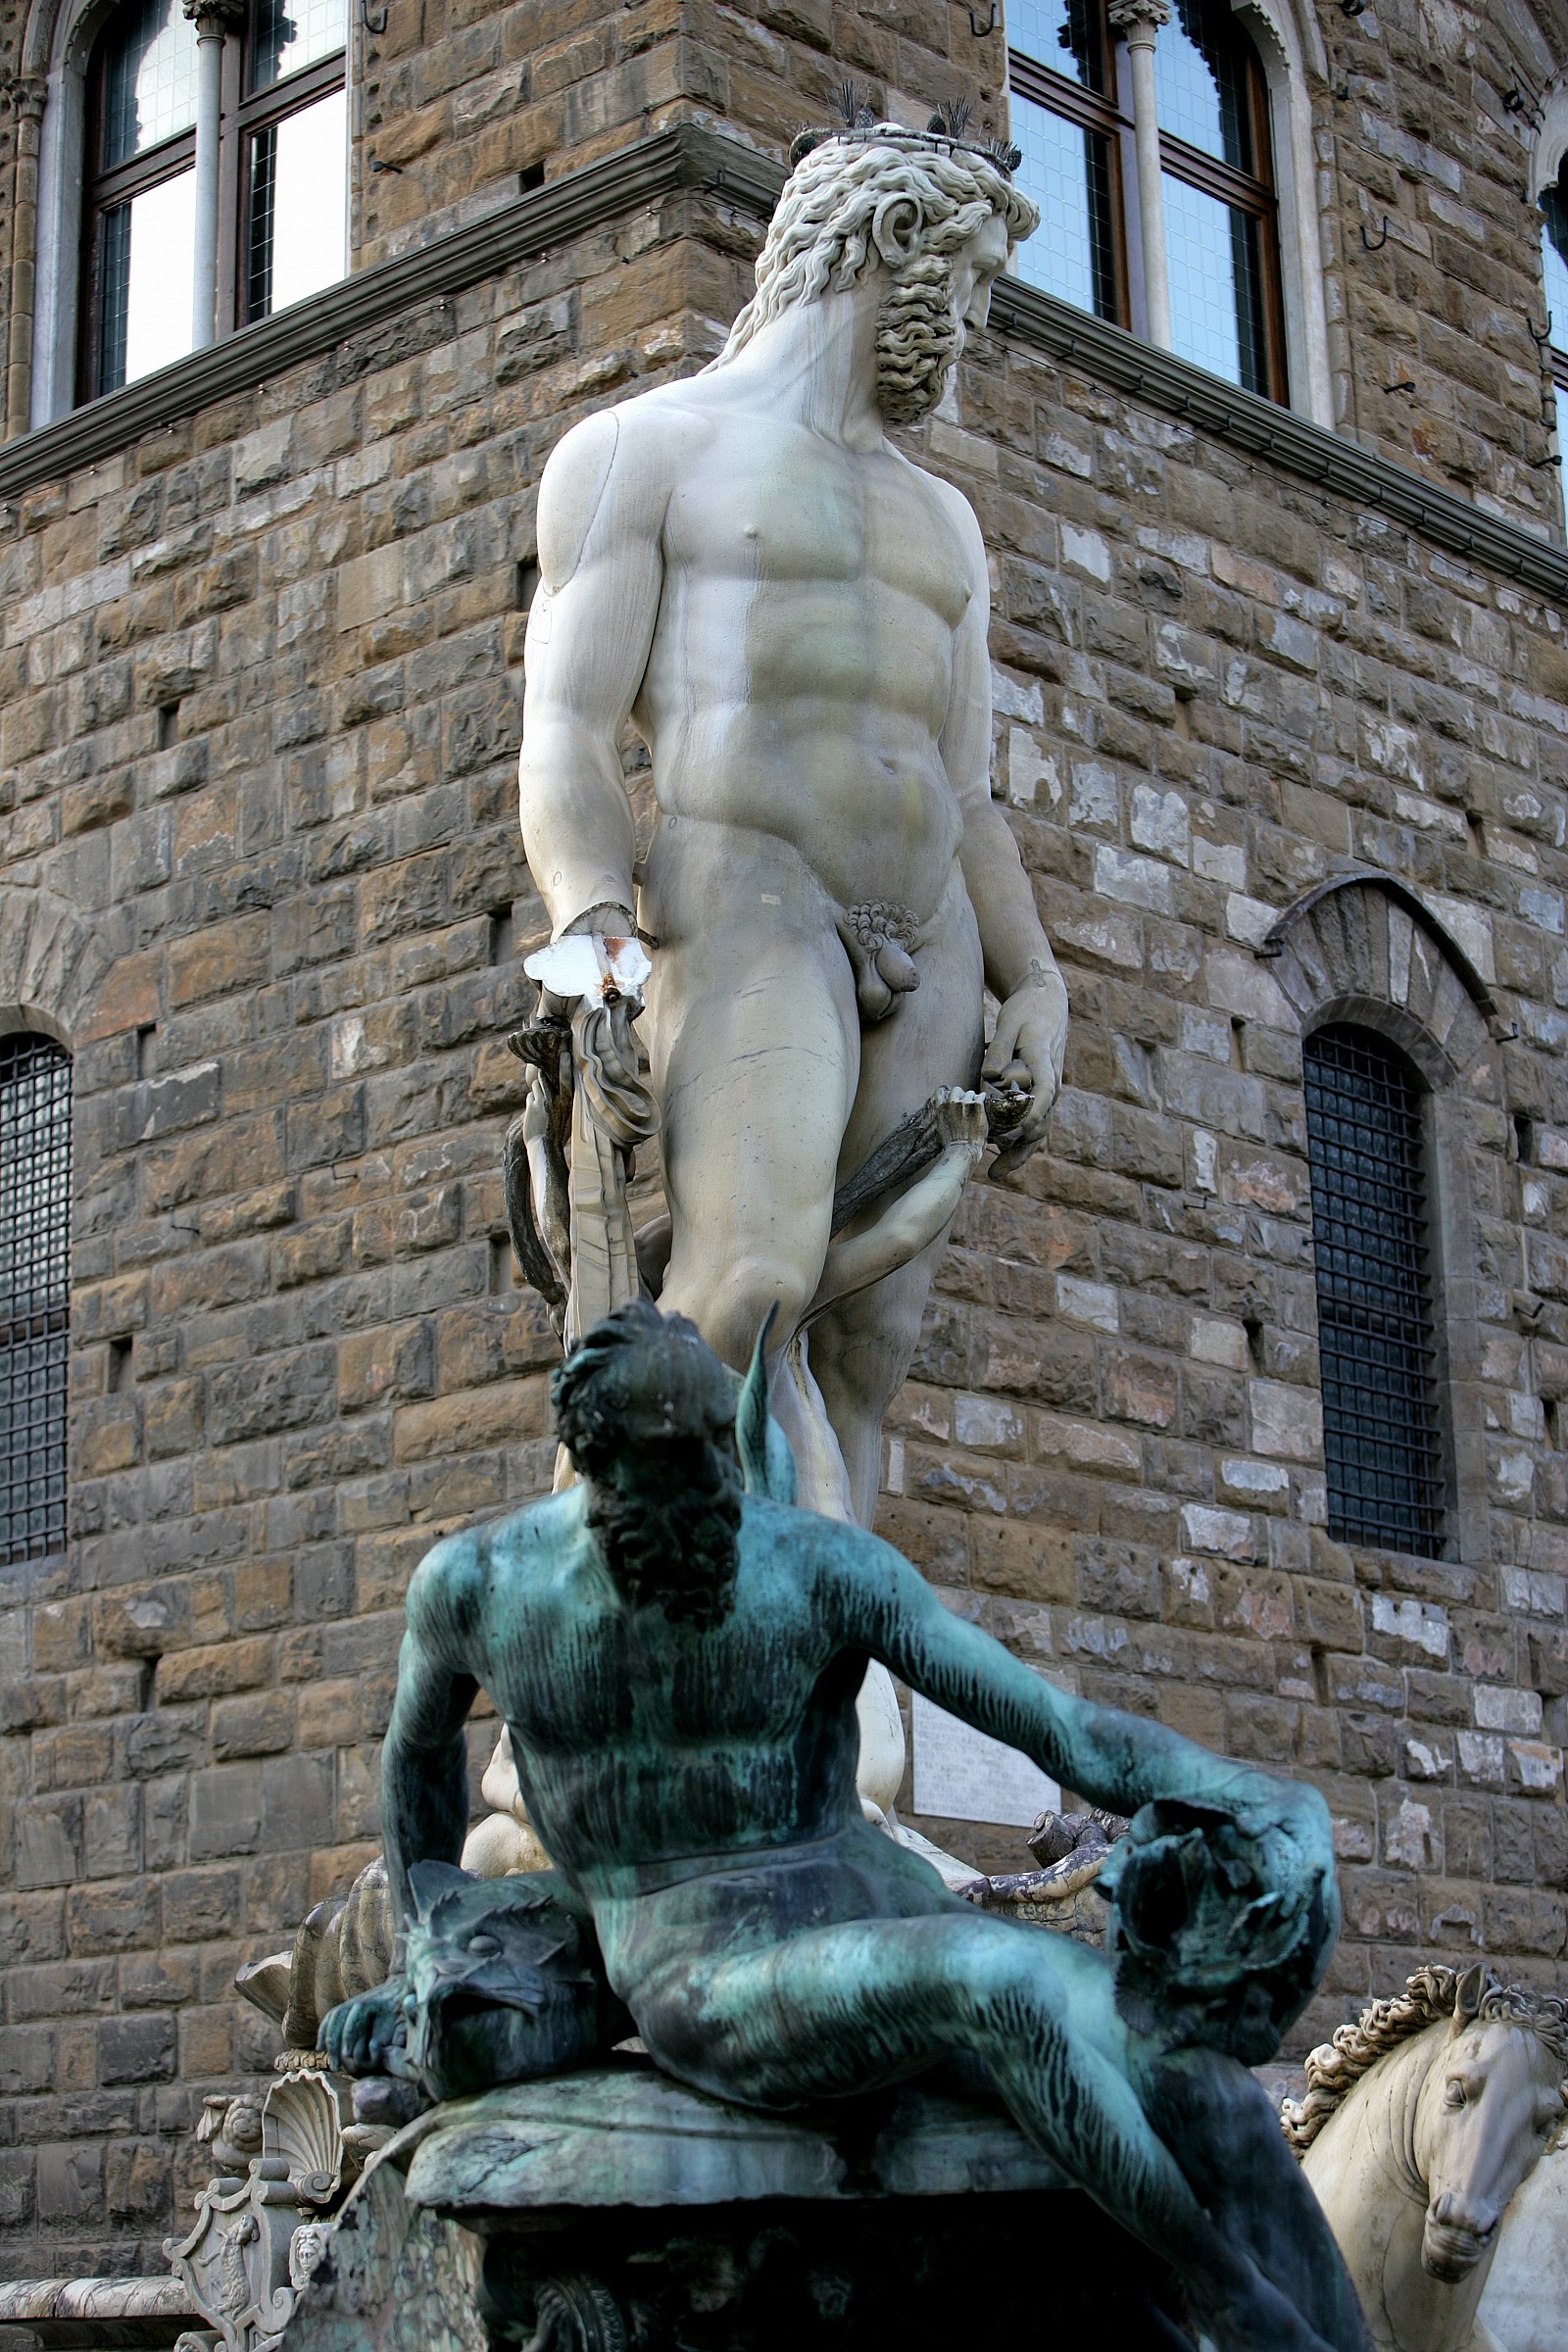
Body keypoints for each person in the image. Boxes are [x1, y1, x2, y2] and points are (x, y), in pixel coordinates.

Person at [324, 1304, 1367, 2352]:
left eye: (712, 1455)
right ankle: (1229, 2296)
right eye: (676, 1464)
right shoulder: (479, 1587)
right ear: (599, 1469)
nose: (712, 1488)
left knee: (1195, 2078)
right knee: (991, 1986)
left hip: (865, 1894)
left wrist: (1245, 1796)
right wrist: (427, 1931)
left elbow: (1061, 1731)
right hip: (700, 1960)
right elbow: (416, 1756)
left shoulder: (814, 1567)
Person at [516, 114, 1068, 1526]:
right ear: (896, 247)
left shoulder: (945, 523)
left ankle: (825, 1684)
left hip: (930, 933)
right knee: (748, 1283)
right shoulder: (644, 451)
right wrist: (594, 945)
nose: (978, 331)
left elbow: (972, 790)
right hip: (750, 906)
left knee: (866, 1343)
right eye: (976, 287)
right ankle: (610, 1643)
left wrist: (1035, 974)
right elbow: (569, 736)